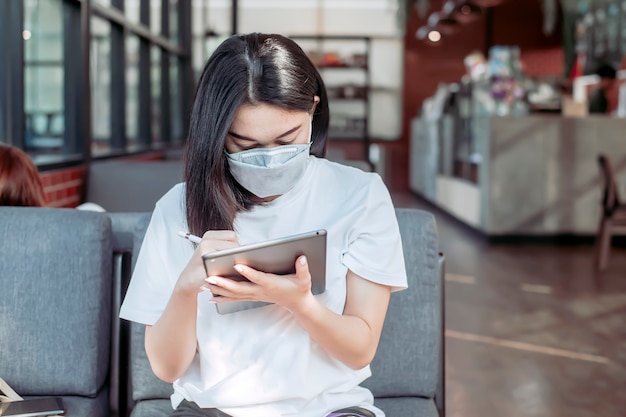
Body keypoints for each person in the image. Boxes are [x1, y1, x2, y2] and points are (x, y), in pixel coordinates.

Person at [119, 33, 407, 417]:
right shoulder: (177, 208)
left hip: (330, 410)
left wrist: (298, 302)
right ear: (216, 134)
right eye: (245, 145)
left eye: (287, 139)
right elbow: (166, 369)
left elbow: (359, 351)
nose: (270, 160)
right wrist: (186, 289)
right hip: (209, 410)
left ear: (313, 111)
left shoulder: (360, 195)